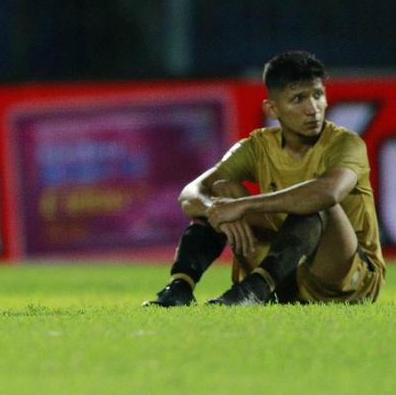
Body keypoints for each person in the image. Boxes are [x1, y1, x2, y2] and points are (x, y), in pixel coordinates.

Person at [145, 50, 383, 306]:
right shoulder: (258, 146)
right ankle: (180, 287)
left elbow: (327, 193)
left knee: (317, 202)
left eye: (318, 95)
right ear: (272, 108)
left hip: (347, 277)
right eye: (298, 99)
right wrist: (216, 211)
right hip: (291, 277)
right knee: (223, 189)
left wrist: (242, 206)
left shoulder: (346, 143)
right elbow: (191, 193)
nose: (312, 108)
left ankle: (255, 289)